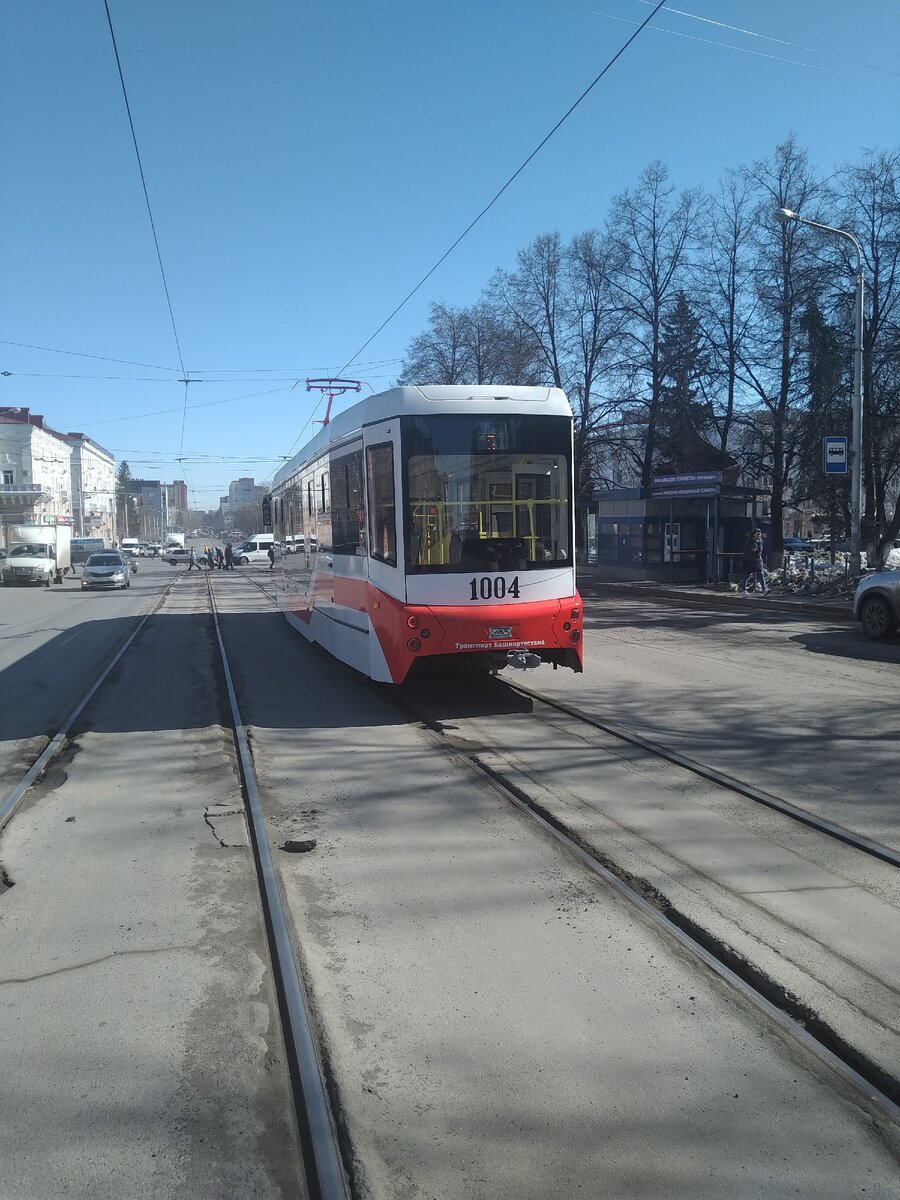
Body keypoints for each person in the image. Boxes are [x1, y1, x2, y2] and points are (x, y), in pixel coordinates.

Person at [741, 528, 768, 595]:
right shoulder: (750, 542)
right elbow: (747, 550)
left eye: (760, 534)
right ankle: (743, 589)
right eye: (758, 534)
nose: (759, 535)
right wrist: (752, 551)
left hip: (758, 561)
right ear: (754, 535)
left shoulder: (760, 542)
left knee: (761, 575)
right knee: (747, 575)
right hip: (750, 561)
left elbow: (760, 552)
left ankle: (764, 589)